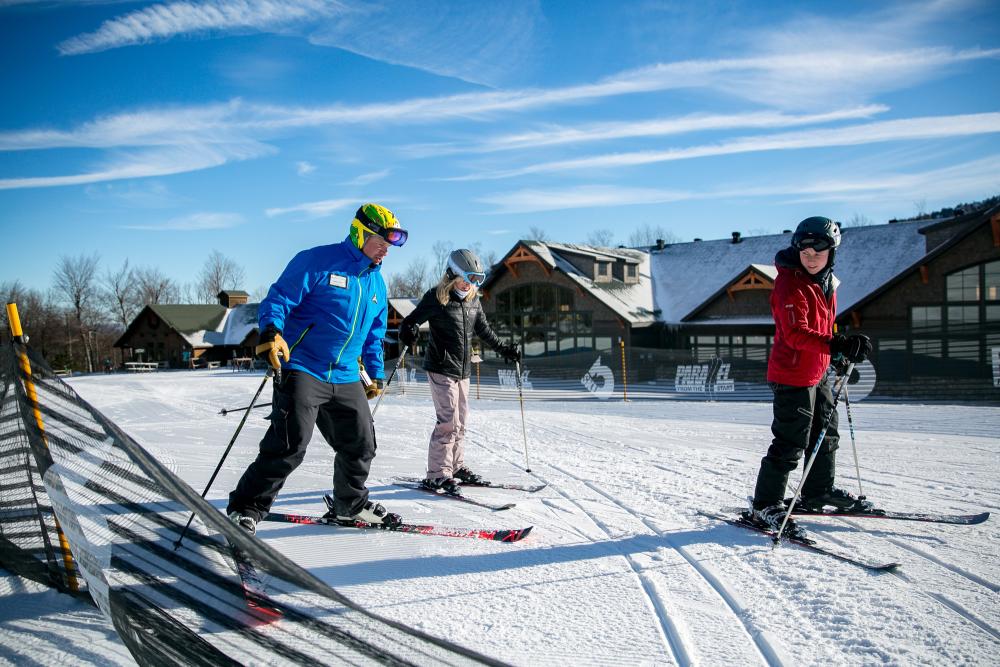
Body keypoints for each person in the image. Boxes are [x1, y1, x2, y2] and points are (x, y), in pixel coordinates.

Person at [226, 203, 407, 535]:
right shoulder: (318, 261)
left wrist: (376, 373)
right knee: (289, 444)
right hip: (303, 367)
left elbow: (374, 334)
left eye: (390, 244)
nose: (386, 249)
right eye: (381, 240)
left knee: (361, 444)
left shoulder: (376, 284)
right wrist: (271, 332)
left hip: (346, 375)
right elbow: (279, 299)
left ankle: (349, 506)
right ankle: (246, 508)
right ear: (360, 233)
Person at [748, 216, 873, 537]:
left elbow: (824, 328)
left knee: (825, 436)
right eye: (806, 251)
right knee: (792, 440)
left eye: (819, 250)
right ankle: (765, 504)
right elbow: (795, 333)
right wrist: (837, 343)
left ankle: (817, 491)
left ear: (832, 252)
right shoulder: (790, 283)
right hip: (791, 374)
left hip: (818, 370)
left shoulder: (826, 282)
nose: (812, 256)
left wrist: (840, 351)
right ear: (797, 251)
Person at [398, 249, 521, 495]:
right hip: (441, 368)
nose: (471, 283)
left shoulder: (473, 300)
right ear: (452, 274)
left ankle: (455, 467)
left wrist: (505, 350)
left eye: (477, 279)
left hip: (463, 370)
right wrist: (407, 330)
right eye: (467, 277)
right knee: (448, 422)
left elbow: (485, 331)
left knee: (461, 422)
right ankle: (437, 474)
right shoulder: (436, 297)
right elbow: (410, 320)